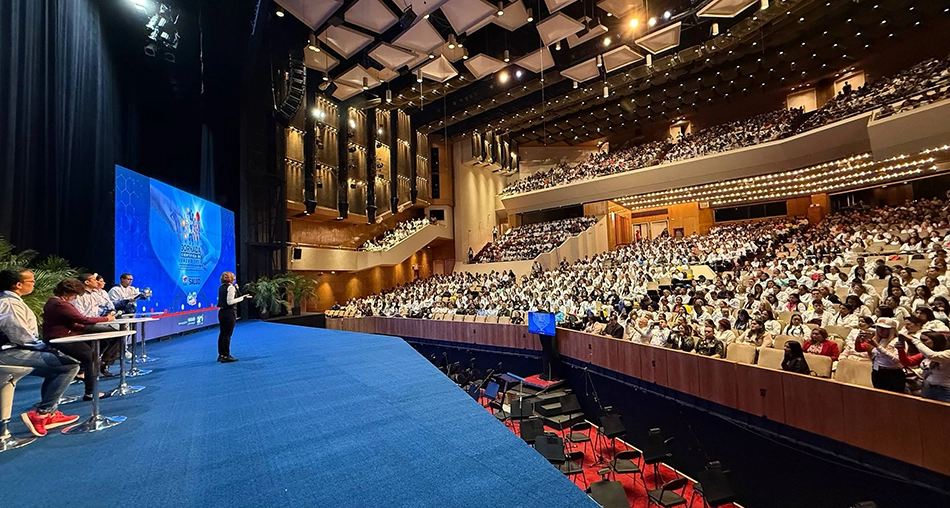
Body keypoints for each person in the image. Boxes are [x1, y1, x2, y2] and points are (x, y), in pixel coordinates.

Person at [0, 268, 81, 437]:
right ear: (18, 284)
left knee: (56, 366)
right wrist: (45, 347)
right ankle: (43, 413)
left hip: (13, 349)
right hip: (8, 353)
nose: (34, 284)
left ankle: (49, 413)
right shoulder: (9, 303)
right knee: (70, 365)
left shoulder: (11, 300)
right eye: (31, 281)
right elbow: (21, 336)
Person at [41, 278, 116, 401]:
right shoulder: (60, 304)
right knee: (90, 357)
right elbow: (83, 319)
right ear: (68, 293)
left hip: (68, 332)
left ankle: (91, 367)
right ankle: (90, 392)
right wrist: (106, 319)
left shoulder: (55, 302)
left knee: (106, 338)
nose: (75, 298)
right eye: (75, 295)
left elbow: (72, 322)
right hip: (60, 337)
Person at [855, 317, 906, 393]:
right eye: (878, 327)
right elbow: (859, 349)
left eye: (884, 328)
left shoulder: (897, 342)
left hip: (892, 374)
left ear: (891, 330)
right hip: (877, 372)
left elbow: (898, 360)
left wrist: (878, 347)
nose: (880, 331)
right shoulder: (876, 339)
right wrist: (858, 339)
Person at [898, 331, 950, 402]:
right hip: (927, 386)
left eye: (925, 340)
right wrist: (900, 350)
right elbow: (907, 362)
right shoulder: (923, 354)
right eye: (921, 340)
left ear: (936, 341)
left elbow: (932, 355)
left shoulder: (947, 354)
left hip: (944, 389)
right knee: (925, 410)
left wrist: (914, 340)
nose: (922, 343)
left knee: (942, 412)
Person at [217, 271, 251, 363]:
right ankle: (226, 355)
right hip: (229, 312)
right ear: (231, 279)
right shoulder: (230, 288)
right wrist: (242, 298)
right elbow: (230, 302)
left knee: (222, 334)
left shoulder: (221, 287)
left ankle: (221, 354)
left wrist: (238, 291)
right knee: (227, 335)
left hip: (222, 312)